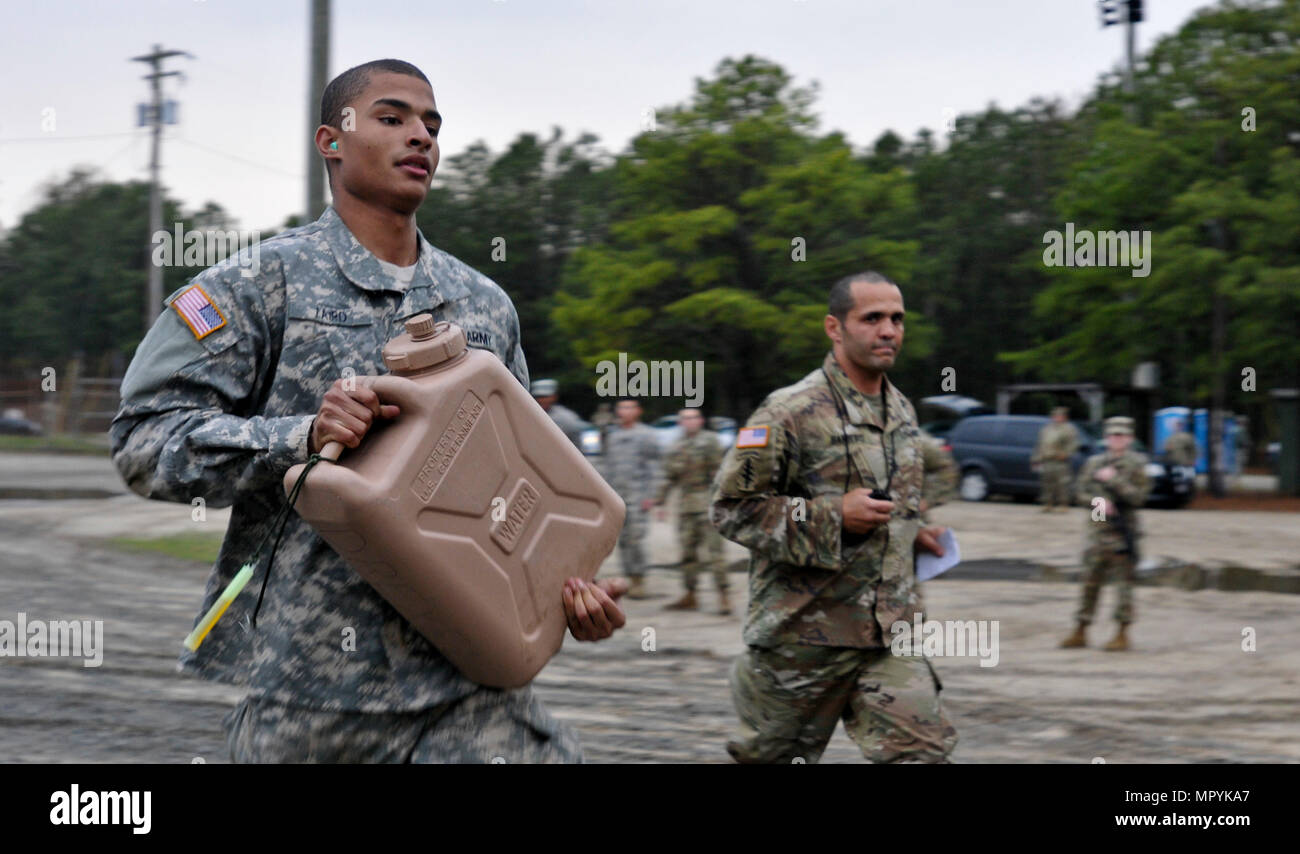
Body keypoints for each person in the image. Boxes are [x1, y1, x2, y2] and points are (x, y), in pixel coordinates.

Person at [110, 59, 627, 764]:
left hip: (467, 694)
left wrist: (572, 596)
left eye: (432, 125)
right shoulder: (257, 286)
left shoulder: (483, 305)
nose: (421, 137)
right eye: (393, 118)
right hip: (313, 699)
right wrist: (300, 436)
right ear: (331, 140)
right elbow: (145, 444)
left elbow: (524, 487)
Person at [711, 271, 959, 764]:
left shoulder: (903, 412)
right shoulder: (787, 411)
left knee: (925, 757)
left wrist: (911, 534)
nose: (888, 330)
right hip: (802, 643)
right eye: (872, 318)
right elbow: (731, 508)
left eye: (897, 319)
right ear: (835, 327)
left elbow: (889, 505)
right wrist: (831, 517)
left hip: (890, 638)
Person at [1060, 416, 1151, 652]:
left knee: (1123, 586)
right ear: (1106, 438)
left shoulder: (1137, 465)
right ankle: (1080, 630)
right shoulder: (1094, 463)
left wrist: (1115, 480)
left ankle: (1121, 633)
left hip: (1123, 532)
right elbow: (1078, 492)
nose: (1116, 439)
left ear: (1129, 439)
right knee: (1090, 582)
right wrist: (1097, 502)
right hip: (1097, 532)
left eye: (1121, 435)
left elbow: (1139, 498)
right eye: (1112, 435)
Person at [649, 408, 730, 615]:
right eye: (685, 419)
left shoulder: (710, 441)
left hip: (708, 505)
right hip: (685, 507)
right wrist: (659, 501)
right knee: (687, 554)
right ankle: (690, 595)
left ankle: (723, 596)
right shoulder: (676, 446)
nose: (690, 422)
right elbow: (669, 477)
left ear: (701, 420)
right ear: (680, 422)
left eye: (693, 418)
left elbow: (721, 473)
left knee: (715, 554)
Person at [599, 397, 662, 599]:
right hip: (618, 495)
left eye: (629, 407)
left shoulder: (646, 435)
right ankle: (629, 576)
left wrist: (652, 496)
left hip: (638, 494)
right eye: (621, 408)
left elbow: (655, 467)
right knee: (624, 540)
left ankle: (638, 579)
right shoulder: (613, 436)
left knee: (636, 539)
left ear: (638, 411)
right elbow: (607, 465)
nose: (625, 411)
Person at [1031, 406, 1078, 512]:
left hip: (1060, 461)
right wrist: (1036, 458)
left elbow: (1073, 444)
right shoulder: (1047, 429)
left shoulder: (1069, 429)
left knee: (1063, 483)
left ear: (1065, 417)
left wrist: (1067, 454)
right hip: (1046, 459)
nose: (1057, 418)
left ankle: (1063, 504)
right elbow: (1040, 444)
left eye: (1060, 415)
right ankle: (1048, 503)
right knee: (1047, 483)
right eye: (1055, 415)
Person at [530, 378, 584, 449]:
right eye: (538, 396)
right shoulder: (525, 414)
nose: (541, 400)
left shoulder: (566, 417)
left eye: (545, 396)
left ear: (554, 397)